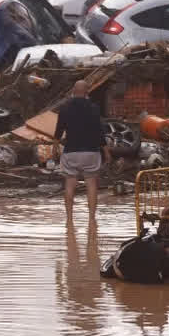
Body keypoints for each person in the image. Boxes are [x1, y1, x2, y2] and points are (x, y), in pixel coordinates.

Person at [54, 80, 112, 227]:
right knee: (91, 184)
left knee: (69, 184)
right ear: (87, 92)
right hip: (91, 152)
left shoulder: (65, 108)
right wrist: (106, 152)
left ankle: (69, 219)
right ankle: (92, 219)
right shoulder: (93, 108)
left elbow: (59, 129)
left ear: (73, 90)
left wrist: (55, 147)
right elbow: (99, 131)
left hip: (71, 152)